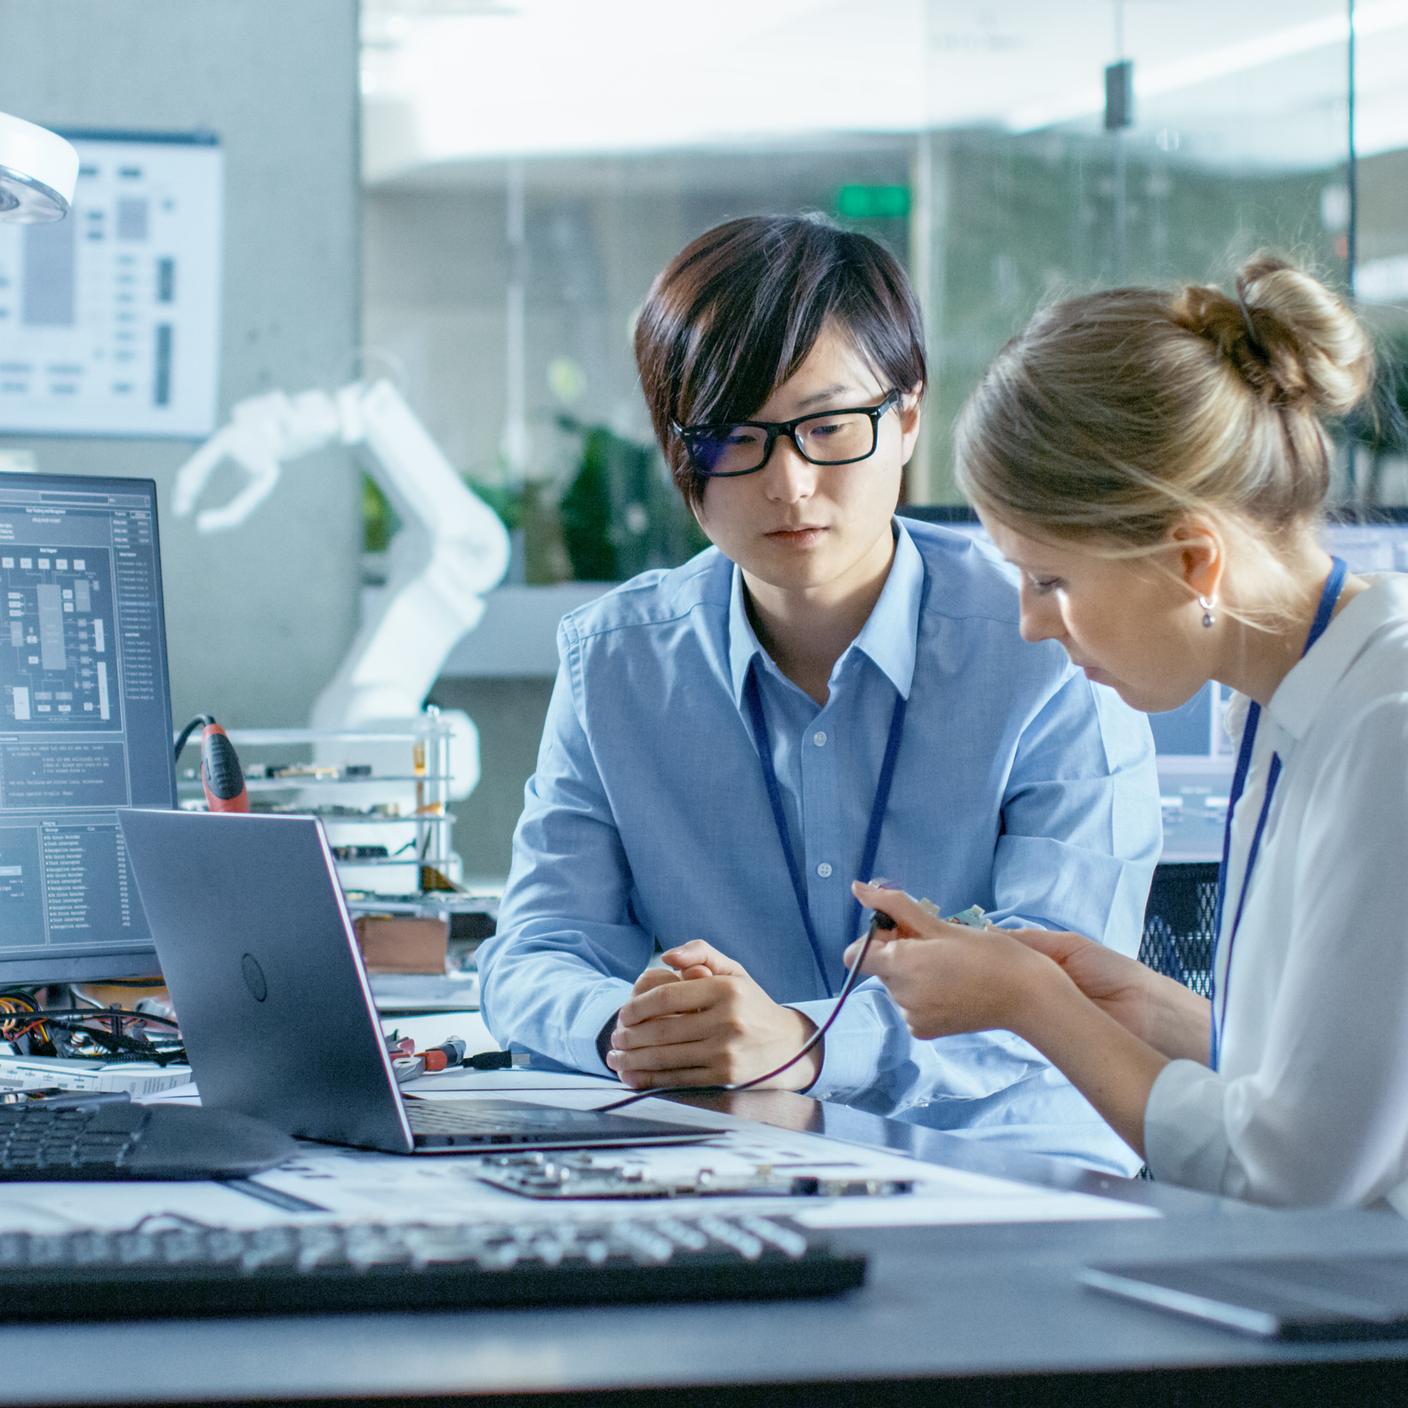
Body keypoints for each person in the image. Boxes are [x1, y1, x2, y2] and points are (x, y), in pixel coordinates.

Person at [478, 213, 1162, 1172]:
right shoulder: (618, 663)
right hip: (714, 1172)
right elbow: (535, 949)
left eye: (830, 427)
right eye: (733, 438)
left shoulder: (1048, 642)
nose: (789, 484)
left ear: (909, 418)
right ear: (679, 451)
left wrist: (801, 1044)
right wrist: (628, 1028)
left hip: (1002, 1172)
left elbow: (1064, 983)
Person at [849, 254, 1408, 1209]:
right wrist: (1142, 1008)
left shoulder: (1387, 731)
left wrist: (1037, 1009)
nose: (1031, 622)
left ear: (1193, 558)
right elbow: (1327, 1085)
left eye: (1051, 580)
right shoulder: (1287, 702)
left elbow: (1292, 1173)